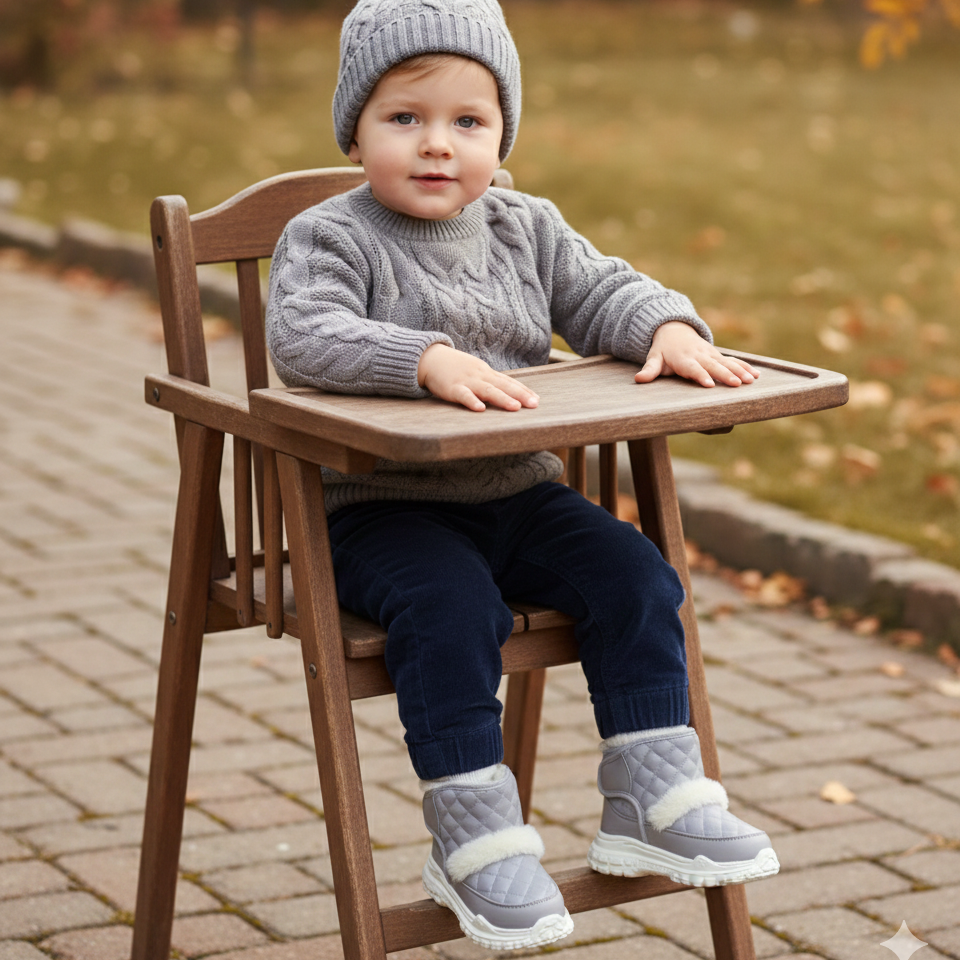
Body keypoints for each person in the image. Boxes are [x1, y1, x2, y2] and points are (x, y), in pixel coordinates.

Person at [266, 0, 779, 949]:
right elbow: (303, 332)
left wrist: (663, 327)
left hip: (516, 492)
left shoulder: (523, 225)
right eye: (405, 118)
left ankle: (652, 799)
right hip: (380, 511)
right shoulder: (326, 236)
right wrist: (423, 359)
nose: (437, 145)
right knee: (454, 610)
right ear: (355, 129)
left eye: (469, 121)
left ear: (502, 133)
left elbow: (601, 286)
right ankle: (476, 844)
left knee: (634, 574)